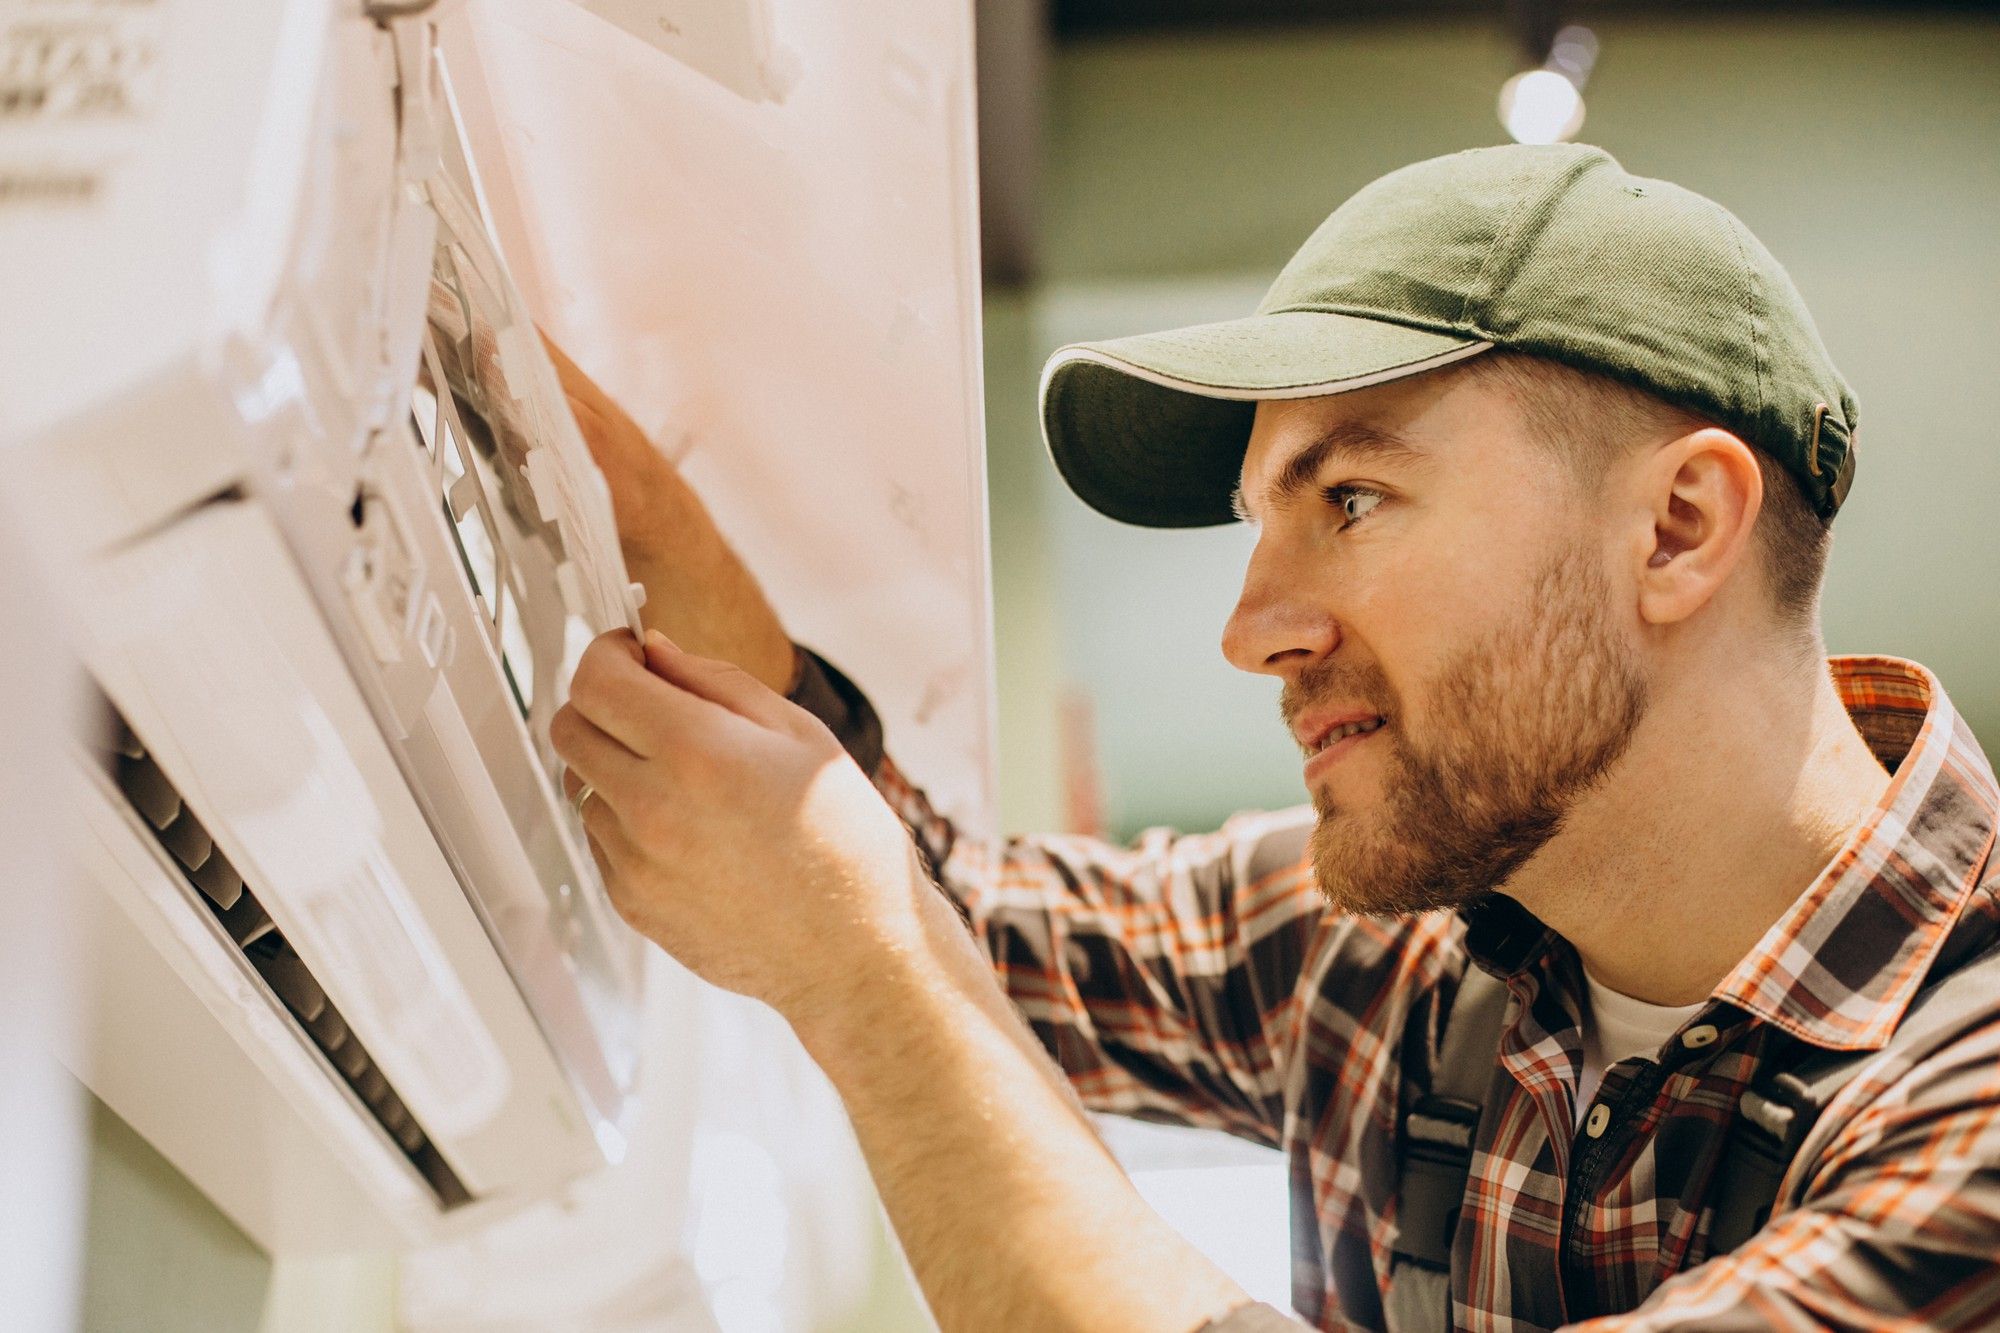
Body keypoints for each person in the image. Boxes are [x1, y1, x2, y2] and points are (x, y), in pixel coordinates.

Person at [545, 144, 2000, 1332]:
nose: (1251, 632)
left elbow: (888, 943)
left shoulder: (1970, 1108)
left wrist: (861, 987)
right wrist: (666, 551)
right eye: (1261, 523)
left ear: (1676, 530)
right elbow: (949, 913)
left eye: (1351, 498)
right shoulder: (1395, 941)